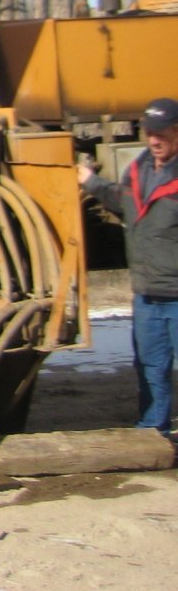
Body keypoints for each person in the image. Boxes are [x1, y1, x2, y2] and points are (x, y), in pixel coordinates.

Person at [79, 97, 178, 435]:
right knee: (151, 366)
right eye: (149, 133)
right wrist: (91, 182)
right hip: (147, 294)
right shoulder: (138, 169)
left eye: (161, 134)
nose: (153, 140)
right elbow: (124, 201)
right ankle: (154, 431)